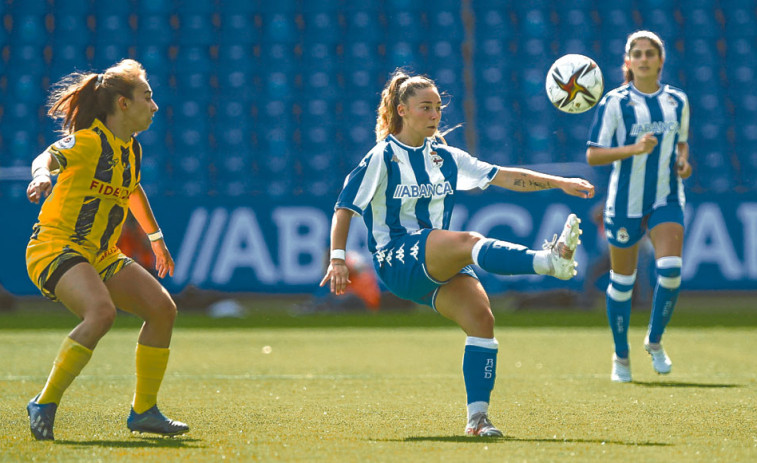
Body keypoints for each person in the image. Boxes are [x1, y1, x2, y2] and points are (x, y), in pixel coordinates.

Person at [320, 69, 595, 437]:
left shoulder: (445, 157)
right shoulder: (382, 156)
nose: (434, 115)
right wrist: (338, 258)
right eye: (425, 108)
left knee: (482, 319)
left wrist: (559, 182)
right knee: (466, 243)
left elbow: (504, 176)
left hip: (431, 267)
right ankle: (549, 262)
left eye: (437, 108)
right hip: (396, 258)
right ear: (402, 110)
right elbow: (344, 208)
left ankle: (478, 420)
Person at [24, 59, 189, 440]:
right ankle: (44, 403)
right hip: (56, 247)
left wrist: (155, 237)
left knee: (163, 310)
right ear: (123, 103)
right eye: (147, 97)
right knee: (101, 312)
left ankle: (144, 412)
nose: (155, 105)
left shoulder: (131, 149)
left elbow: (131, 189)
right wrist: (40, 177)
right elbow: (45, 157)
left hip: (100, 254)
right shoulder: (89, 141)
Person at [586, 31, 692, 383]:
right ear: (628, 62)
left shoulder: (678, 100)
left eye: (650, 53)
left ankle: (655, 339)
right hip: (624, 201)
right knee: (623, 281)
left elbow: (681, 146)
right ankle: (621, 355)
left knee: (672, 269)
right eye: (637, 54)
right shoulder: (615, 102)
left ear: (661, 60)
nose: (644, 59)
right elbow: (593, 154)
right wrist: (633, 149)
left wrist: (684, 165)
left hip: (666, 196)